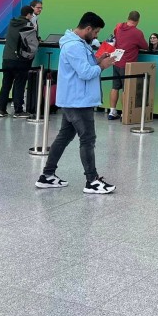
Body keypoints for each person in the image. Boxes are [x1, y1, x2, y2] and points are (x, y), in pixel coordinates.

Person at [35, 12, 116, 194]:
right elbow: (85, 73)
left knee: (64, 137)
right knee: (87, 139)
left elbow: (84, 65)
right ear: (88, 28)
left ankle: (47, 175)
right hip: (78, 101)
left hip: (74, 99)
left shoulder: (78, 44)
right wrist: (103, 66)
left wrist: (98, 60)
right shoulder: (74, 46)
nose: (96, 36)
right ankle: (92, 181)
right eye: (95, 32)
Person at [108, 10, 148, 120]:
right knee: (126, 89)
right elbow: (145, 46)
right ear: (138, 20)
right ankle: (124, 114)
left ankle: (112, 112)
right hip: (127, 64)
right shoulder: (137, 33)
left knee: (115, 87)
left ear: (128, 18)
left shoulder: (118, 26)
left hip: (116, 61)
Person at [0, 5, 35, 118]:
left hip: (7, 57)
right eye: (31, 15)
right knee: (19, 84)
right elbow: (31, 42)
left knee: (6, 84)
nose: (32, 17)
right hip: (20, 59)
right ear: (28, 14)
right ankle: (18, 110)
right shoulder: (28, 25)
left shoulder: (11, 23)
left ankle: (2, 109)